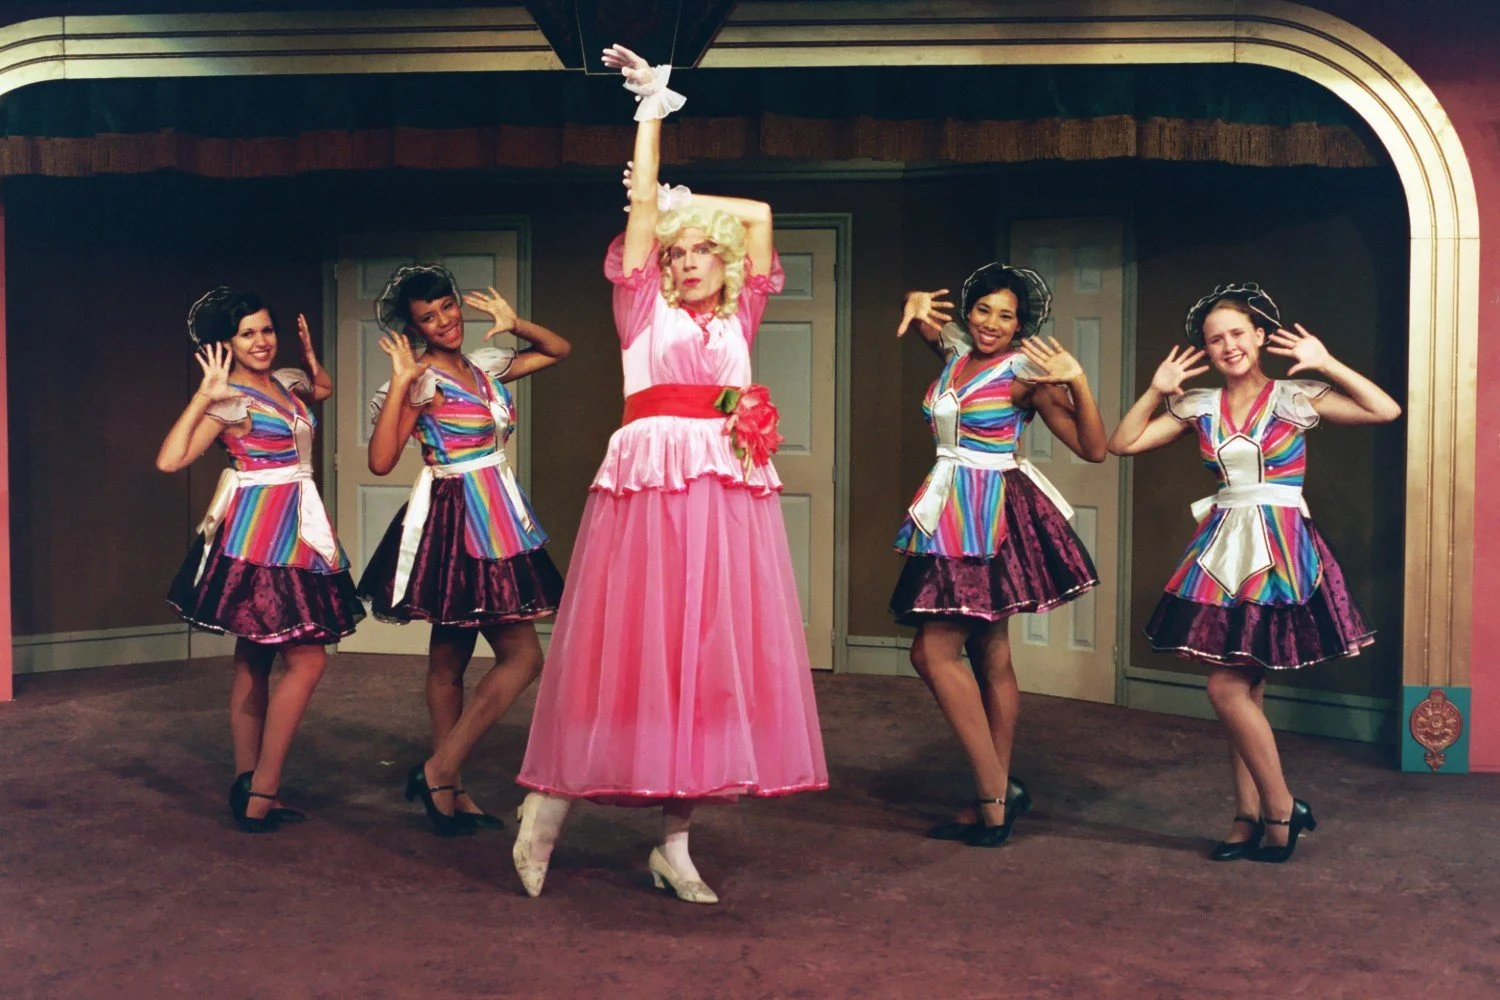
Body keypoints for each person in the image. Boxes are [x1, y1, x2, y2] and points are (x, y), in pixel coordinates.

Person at [512, 44, 827, 903]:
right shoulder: (639, 302)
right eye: (676, 252)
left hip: (724, 494)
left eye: (700, 252)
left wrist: (703, 208)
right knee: (629, 650)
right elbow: (644, 208)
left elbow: (757, 214)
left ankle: (675, 844)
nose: (686, 260)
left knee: (706, 662)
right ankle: (545, 811)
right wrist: (652, 116)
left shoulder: (744, 309)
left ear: (724, 265)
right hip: (651, 489)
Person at [1107, 282, 1400, 862]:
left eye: (1238, 333)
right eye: (1215, 340)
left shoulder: (1295, 397)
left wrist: (1326, 363)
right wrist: (1155, 391)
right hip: (1223, 548)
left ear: (1262, 337)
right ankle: (1250, 819)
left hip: (1282, 550)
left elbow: (1384, 409)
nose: (1227, 346)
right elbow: (1123, 442)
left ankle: (1283, 808)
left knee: (1226, 685)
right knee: (1245, 686)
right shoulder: (1201, 406)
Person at [892, 266, 1106, 847]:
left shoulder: (1026, 374)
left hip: (991, 513)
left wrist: (1078, 381)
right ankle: (997, 791)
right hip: (948, 507)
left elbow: (1094, 449)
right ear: (968, 310)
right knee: (989, 650)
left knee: (932, 653)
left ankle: (993, 796)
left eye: (1005, 315)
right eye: (982, 309)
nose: (991, 323)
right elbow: (934, 333)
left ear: (1022, 325)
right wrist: (914, 299)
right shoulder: (959, 354)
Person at [357, 266, 569, 836]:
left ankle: (447, 789)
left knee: (449, 657)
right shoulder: (420, 379)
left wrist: (514, 323)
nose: (445, 321)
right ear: (413, 328)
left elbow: (558, 350)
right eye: (429, 317)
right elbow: (380, 461)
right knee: (520, 658)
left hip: (497, 510)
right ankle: (440, 771)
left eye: (448, 307)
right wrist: (402, 381)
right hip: (455, 518)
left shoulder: (484, 366)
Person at [159, 287, 363, 832]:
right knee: (308, 658)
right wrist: (204, 395)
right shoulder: (232, 402)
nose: (261, 341)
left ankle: (250, 786)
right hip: (261, 535)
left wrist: (313, 359)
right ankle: (262, 789)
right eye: (248, 333)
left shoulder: (284, 383)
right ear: (225, 343)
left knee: (255, 655)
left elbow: (320, 388)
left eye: (266, 329)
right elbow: (170, 458)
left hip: (296, 521)